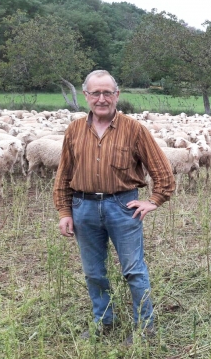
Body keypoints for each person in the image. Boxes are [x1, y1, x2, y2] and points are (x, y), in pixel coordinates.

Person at [53, 70, 175, 343]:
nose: (101, 98)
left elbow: (162, 170)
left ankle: (144, 328)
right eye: (95, 93)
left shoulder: (134, 129)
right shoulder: (74, 130)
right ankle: (103, 321)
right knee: (94, 271)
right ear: (86, 96)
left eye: (107, 92)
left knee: (133, 270)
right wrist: (64, 212)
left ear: (117, 95)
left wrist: (154, 200)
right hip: (83, 206)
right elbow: (63, 174)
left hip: (123, 206)